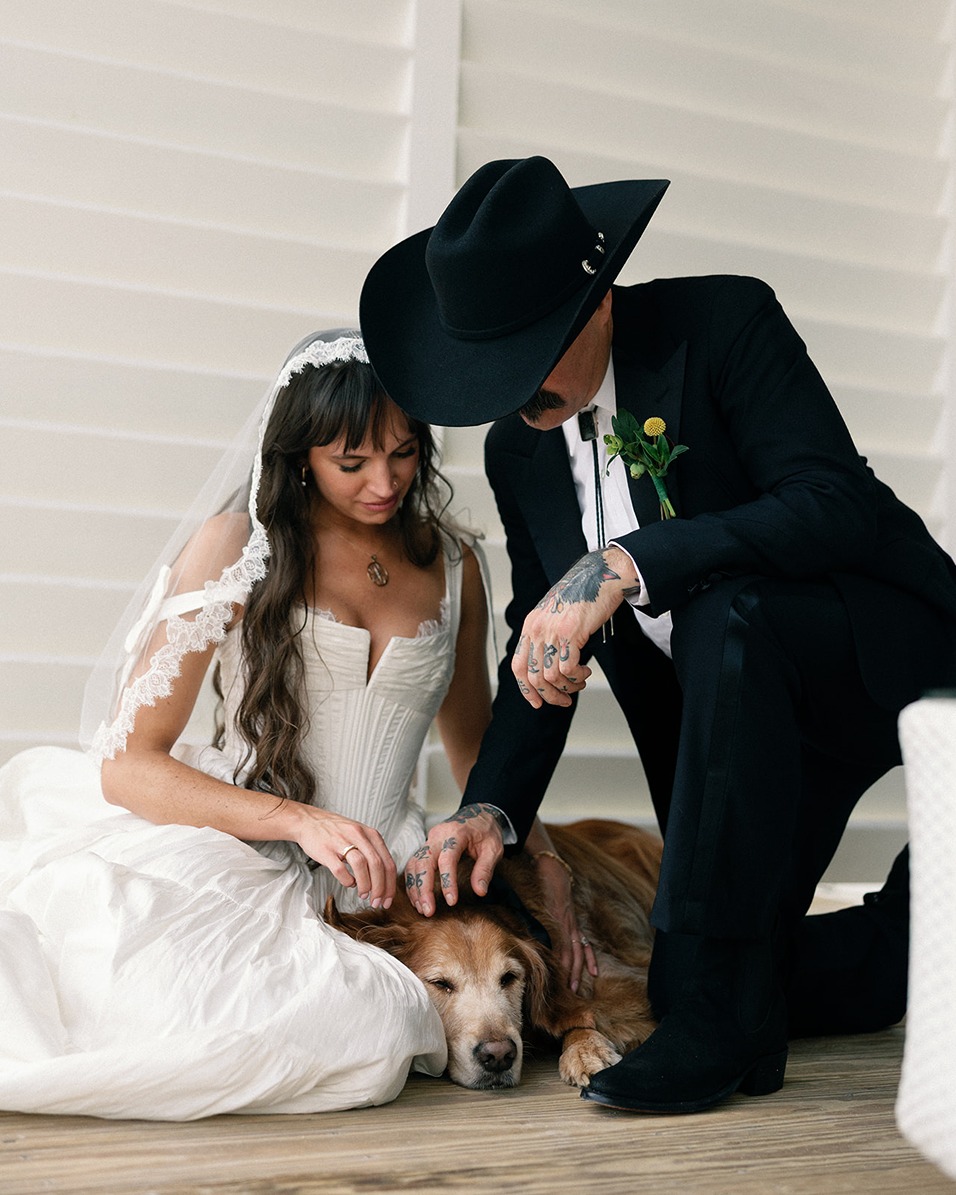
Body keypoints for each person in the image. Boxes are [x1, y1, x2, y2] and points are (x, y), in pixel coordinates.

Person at [359, 156, 956, 1114]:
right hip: (736, 733)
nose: (514, 396)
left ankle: (725, 1036)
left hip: (882, 652)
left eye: (528, 356)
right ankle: (913, 938)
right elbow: (540, 637)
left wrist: (629, 562)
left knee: (730, 605)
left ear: (597, 306)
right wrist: (491, 811)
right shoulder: (525, 445)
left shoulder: (725, 324)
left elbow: (834, 503)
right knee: (704, 983)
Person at [0, 328, 580, 1120]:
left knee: (379, 1026)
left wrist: (545, 861)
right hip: (243, 853)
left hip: (391, 873)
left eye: (405, 453)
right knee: (236, 1016)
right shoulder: (237, 547)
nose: (384, 482)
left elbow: (479, 750)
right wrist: (300, 821)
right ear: (297, 453)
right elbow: (128, 763)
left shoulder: (454, 564)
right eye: (352, 462)